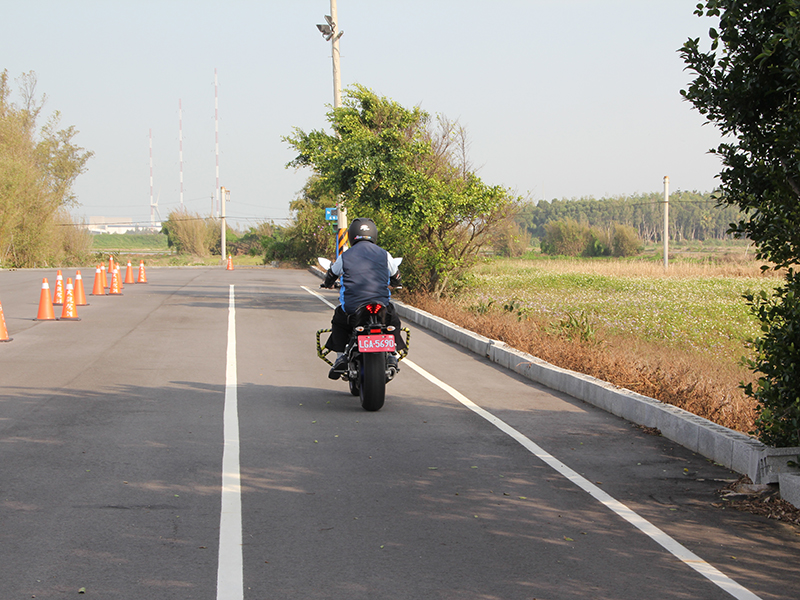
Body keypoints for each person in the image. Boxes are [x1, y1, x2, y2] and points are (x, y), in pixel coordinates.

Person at [320, 217, 406, 379]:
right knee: (393, 318)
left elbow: (332, 274)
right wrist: (396, 283)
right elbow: (396, 275)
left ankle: (340, 357)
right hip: (381, 305)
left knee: (339, 319)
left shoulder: (345, 256)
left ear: (352, 235)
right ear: (374, 234)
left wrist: (328, 283)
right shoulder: (385, 254)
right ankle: (393, 353)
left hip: (353, 308)